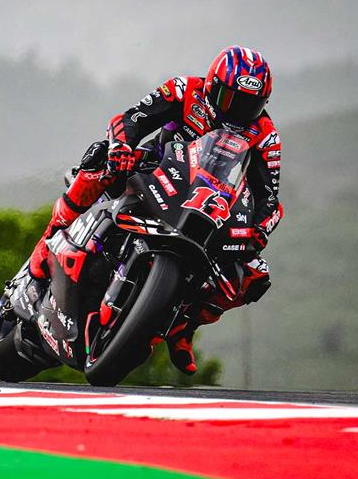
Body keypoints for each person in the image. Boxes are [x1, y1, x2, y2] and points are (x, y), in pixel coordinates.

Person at [27, 45, 284, 375]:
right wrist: (121, 147)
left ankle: (183, 326)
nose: (238, 111)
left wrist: (259, 228)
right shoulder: (184, 90)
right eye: (231, 99)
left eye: (250, 104)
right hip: (156, 170)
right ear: (212, 85)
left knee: (253, 276)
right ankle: (44, 245)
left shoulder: (266, 137)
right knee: (97, 161)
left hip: (210, 208)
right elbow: (129, 119)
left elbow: (269, 199)